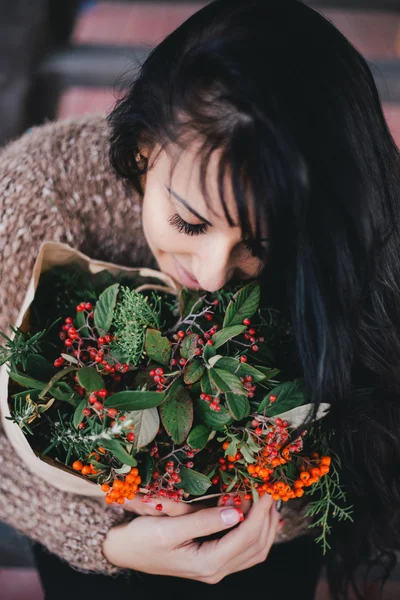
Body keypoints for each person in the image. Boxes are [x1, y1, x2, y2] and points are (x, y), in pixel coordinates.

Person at [0, 0, 399, 597]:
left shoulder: (352, 226)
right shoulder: (36, 193)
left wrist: (270, 513)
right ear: (140, 150)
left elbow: (372, 419)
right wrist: (102, 539)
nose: (214, 276)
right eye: (189, 224)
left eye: (263, 244)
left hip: (265, 555)